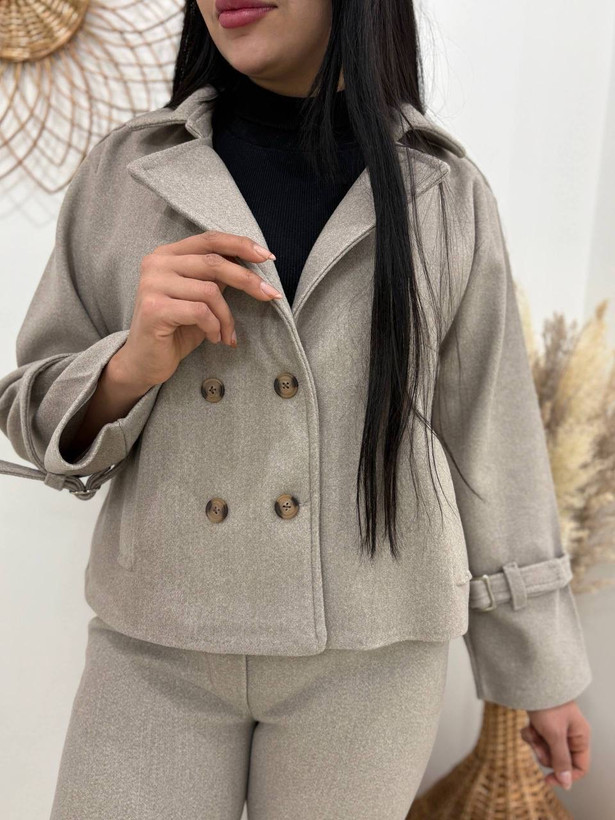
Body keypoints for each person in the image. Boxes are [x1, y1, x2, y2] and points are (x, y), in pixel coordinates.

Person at [0, 1, 593, 817]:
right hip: (158, 643)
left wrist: (538, 670)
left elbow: (491, 438)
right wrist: (129, 363)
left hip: (372, 656)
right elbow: (30, 412)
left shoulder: (441, 190)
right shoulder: (126, 171)